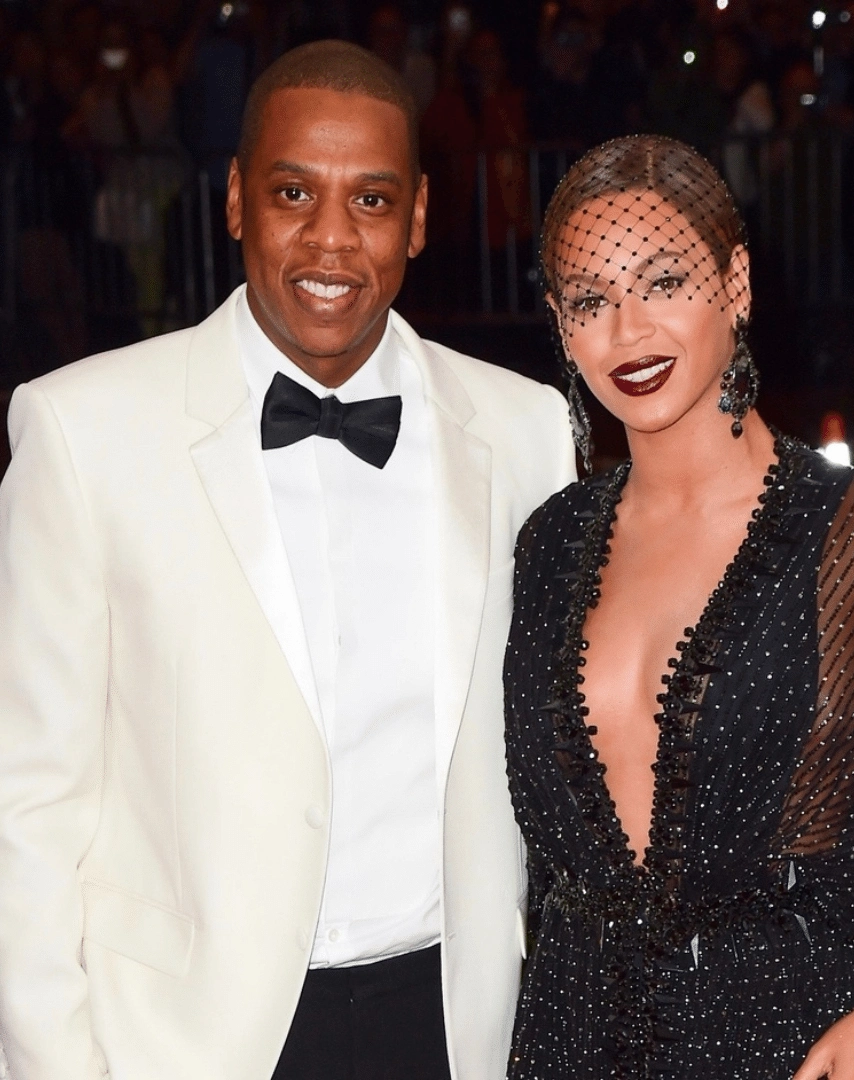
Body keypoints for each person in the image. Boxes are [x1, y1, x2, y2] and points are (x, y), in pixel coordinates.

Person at [0, 40, 575, 1080]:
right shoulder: (83, 432)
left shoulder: (525, 431)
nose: (331, 239)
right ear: (235, 200)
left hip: (453, 1024)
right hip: (181, 1039)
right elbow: (25, 801)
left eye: (371, 200)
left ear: (419, 217)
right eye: (293, 192)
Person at [503, 135, 854, 1080]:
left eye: (663, 282)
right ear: (561, 326)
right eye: (590, 300)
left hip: (799, 1038)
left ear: (735, 283)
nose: (628, 330)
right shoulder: (551, 543)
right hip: (577, 1037)